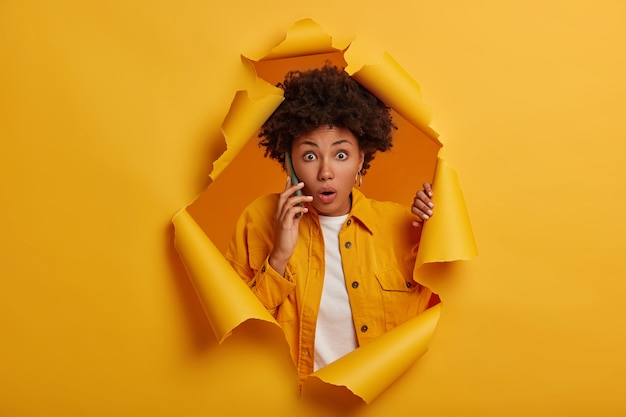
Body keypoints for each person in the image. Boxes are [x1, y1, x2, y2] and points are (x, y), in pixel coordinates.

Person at [225, 64, 437, 386]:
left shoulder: (404, 224)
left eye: (341, 155)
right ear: (288, 161)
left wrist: (437, 227)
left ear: (361, 160)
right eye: (310, 156)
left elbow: (443, 321)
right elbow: (235, 334)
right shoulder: (257, 221)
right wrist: (280, 256)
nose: (325, 172)